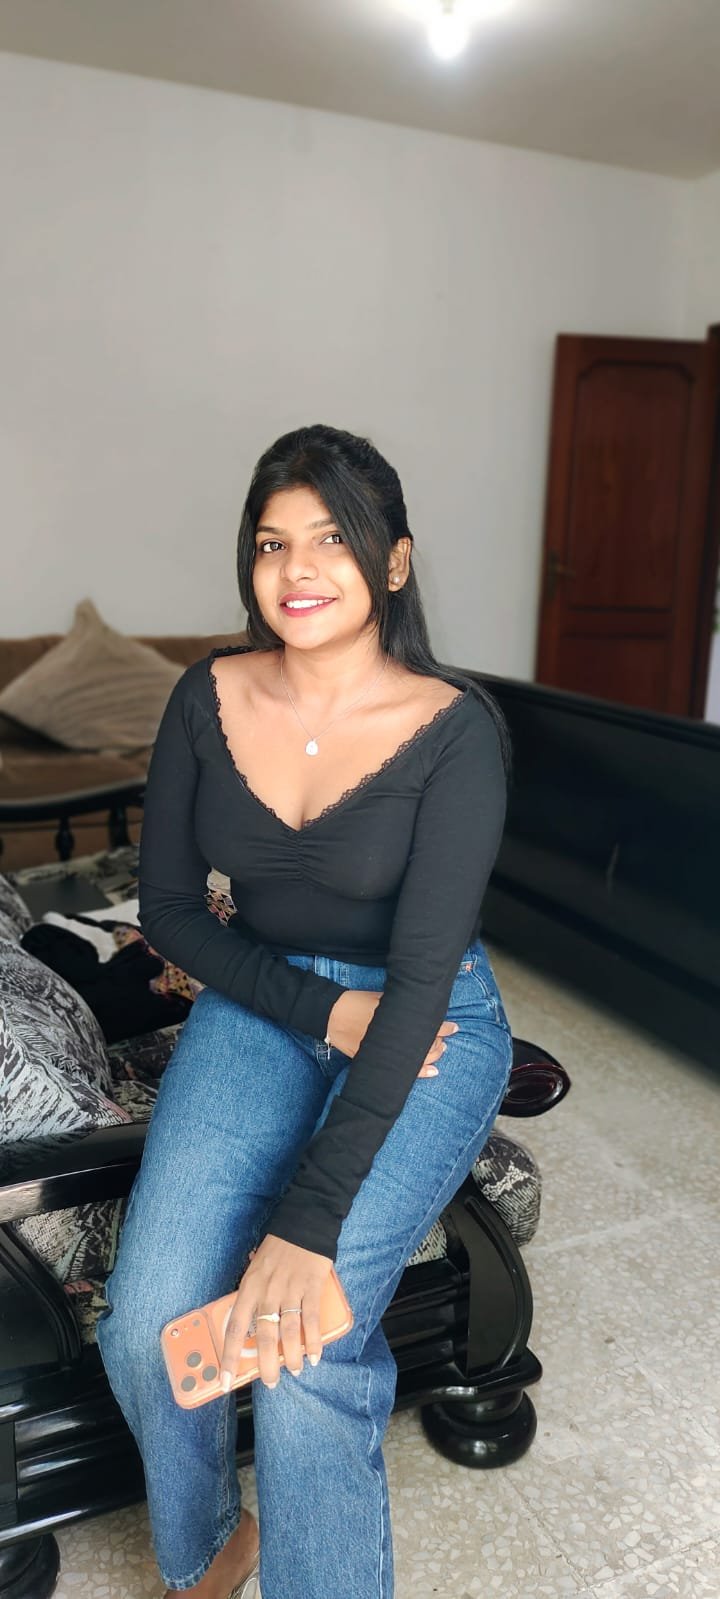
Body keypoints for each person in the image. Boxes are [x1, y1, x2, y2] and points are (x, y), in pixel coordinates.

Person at [96, 423, 515, 1599]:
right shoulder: (205, 695)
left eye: (333, 538)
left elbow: (418, 984)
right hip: (261, 997)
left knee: (308, 1344)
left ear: (395, 561)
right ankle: (206, 1551)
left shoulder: (456, 731)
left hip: (430, 1022)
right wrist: (317, 1010)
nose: (297, 569)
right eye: (273, 542)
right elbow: (170, 910)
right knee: (146, 1321)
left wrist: (307, 1224)